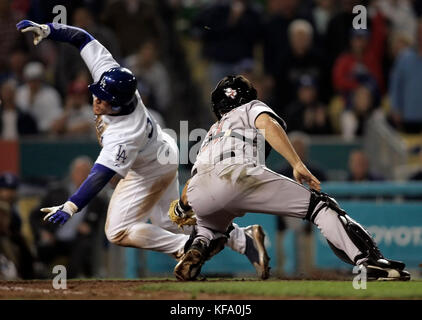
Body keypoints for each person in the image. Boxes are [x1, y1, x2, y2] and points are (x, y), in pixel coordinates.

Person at [17, 20, 270, 279]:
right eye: (97, 93)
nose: (96, 100)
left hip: (149, 169)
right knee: (172, 222)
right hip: (162, 153)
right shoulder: (110, 74)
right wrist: (49, 30)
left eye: (104, 100)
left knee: (117, 231)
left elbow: (99, 175)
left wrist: (71, 206)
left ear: (119, 104)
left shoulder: (125, 132)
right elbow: (82, 38)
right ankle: (244, 239)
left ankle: (186, 248)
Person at [172, 75, 410, 282]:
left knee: (209, 228)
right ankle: (370, 261)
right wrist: (297, 163)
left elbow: (192, 183)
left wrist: (183, 207)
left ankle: (197, 247)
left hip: (198, 190)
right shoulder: (249, 107)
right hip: (238, 174)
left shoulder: (211, 133)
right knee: (320, 206)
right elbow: (267, 123)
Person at [30, 157, 107, 278]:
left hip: (78, 241)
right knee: (42, 247)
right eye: (78, 172)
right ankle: (37, 277)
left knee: (83, 247)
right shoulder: (56, 193)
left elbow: (102, 225)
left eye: (86, 173)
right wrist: (42, 232)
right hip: (54, 238)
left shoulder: (98, 200)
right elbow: (34, 215)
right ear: (72, 174)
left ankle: (72, 279)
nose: (81, 176)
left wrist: (90, 227)